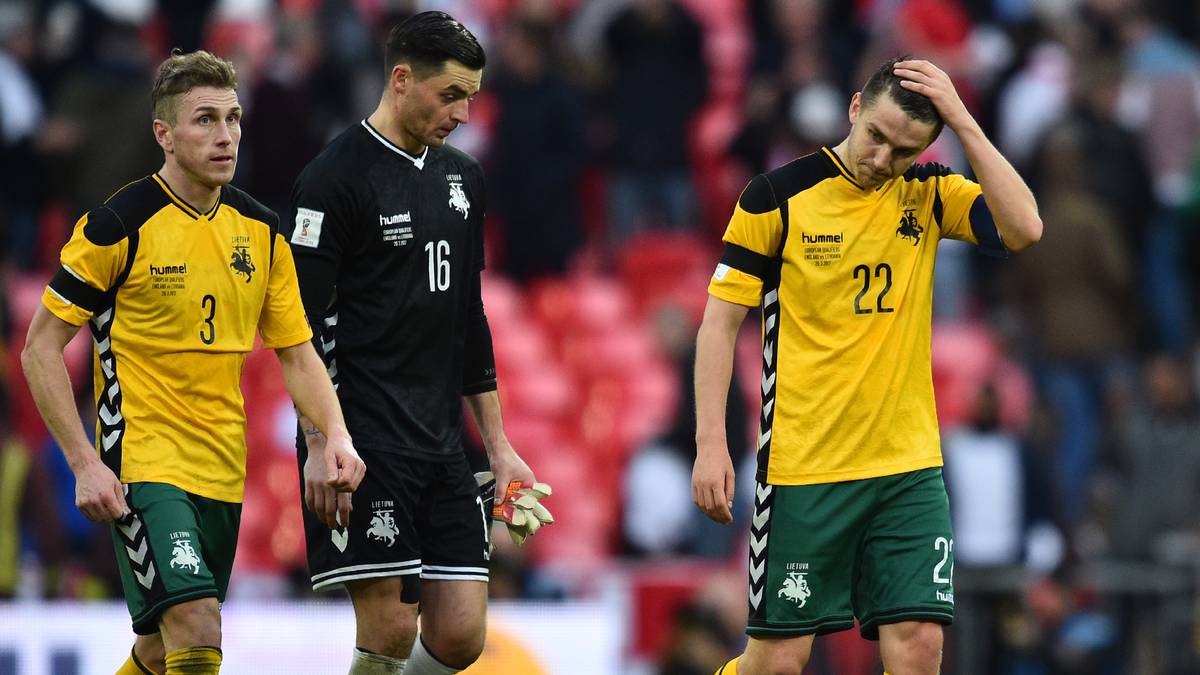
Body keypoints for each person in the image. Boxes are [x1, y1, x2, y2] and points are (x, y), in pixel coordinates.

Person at [692, 57, 1042, 675]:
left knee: (920, 644)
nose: (882, 160)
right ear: (854, 107)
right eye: (876, 135)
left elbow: (1025, 228)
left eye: (903, 150)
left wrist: (963, 120)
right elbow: (720, 325)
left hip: (907, 470)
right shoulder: (776, 197)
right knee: (777, 661)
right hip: (805, 468)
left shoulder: (930, 194)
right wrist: (711, 443)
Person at [20, 50, 365, 675]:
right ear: (164, 135)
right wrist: (83, 462)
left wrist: (332, 437)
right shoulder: (117, 225)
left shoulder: (261, 231)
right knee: (199, 625)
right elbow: (40, 348)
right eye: (204, 120)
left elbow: (297, 351)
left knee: (161, 649)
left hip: (221, 463)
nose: (225, 135)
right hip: (142, 462)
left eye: (233, 118)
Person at [285, 12, 546, 675]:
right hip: (360, 440)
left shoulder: (463, 179)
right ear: (402, 79)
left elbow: (470, 319)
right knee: (391, 628)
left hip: (440, 440)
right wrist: (319, 441)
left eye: (471, 98)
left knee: (460, 634)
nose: (463, 112)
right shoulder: (332, 178)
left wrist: (500, 445)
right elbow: (298, 330)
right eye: (450, 95)